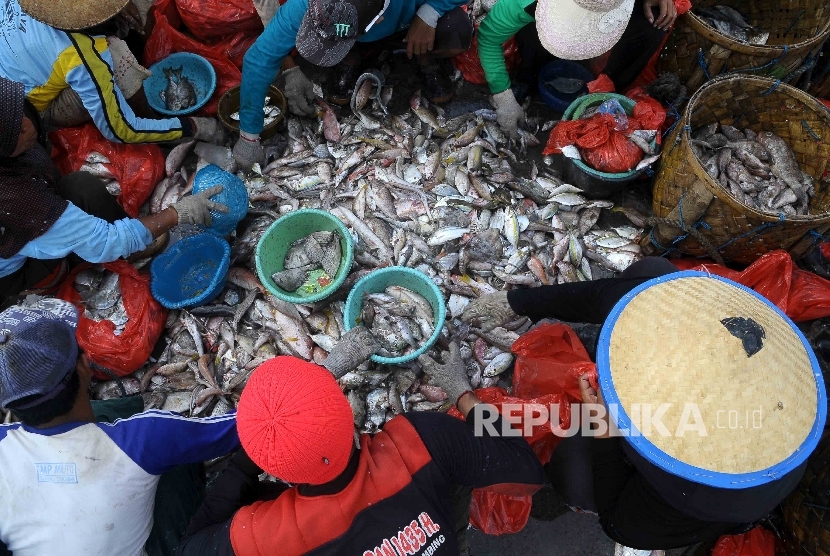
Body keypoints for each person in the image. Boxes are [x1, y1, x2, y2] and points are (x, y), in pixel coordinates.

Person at [460, 257, 824, 553]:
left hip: (684, 499)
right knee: (651, 274)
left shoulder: (701, 493)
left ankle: (581, 488)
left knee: (572, 463)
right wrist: (516, 303)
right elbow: (606, 295)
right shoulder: (790, 379)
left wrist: (603, 426)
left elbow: (621, 526)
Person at [176, 347, 545, 555]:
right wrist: (465, 396)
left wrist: (244, 464)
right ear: (346, 412)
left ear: (276, 469)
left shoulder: (269, 534)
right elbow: (527, 473)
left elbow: (190, 546)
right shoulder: (418, 440)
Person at [0, 298, 241, 555]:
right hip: (155, 537)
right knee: (173, 459)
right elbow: (244, 426)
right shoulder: (143, 440)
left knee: (110, 415)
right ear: (84, 365)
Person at [0, 76, 229, 307]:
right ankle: (49, 280)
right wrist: (177, 213)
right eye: (16, 131)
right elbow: (106, 242)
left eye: (19, 115)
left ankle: (113, 236)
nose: (26, 124)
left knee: (80, 185)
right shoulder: (16, 199)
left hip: (31, 193)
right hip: (18, 268)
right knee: (95, 238)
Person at [232, 0, 474, 170]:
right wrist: (249, 135)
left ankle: (422, 56)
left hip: (410, 15)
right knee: (329, 44)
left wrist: (430, 13)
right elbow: (260, 58)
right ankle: (351, 56)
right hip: (365, 30)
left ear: (378, 19)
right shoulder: (308, 5)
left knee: (458, 31)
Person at [0, 0, 224, 144]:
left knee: (141, 4)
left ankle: (155, 51)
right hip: (32, 111)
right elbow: (120, 130)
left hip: (19, 66)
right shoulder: (81, 56)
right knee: (117, 54)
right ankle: (151, 118)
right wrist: (191, 126)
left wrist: (120, 4)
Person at [479, 0, 675, 137]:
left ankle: (609, 88)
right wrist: (502, 96)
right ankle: (528, 75)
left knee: (655, 21)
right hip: (535, 12)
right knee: (531, 39)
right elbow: (488, 38)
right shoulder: (521, 2)